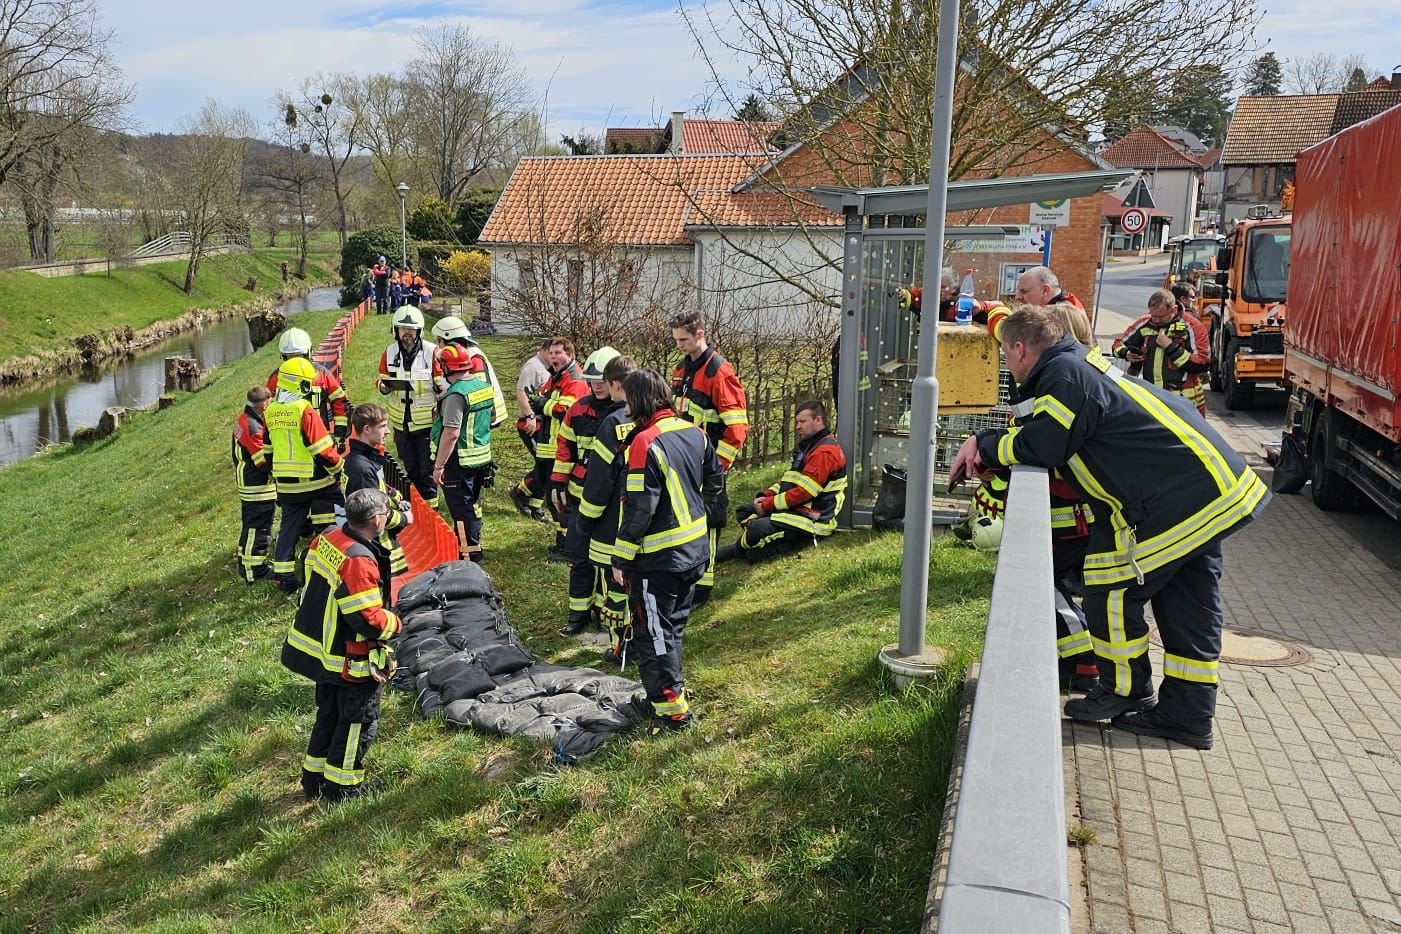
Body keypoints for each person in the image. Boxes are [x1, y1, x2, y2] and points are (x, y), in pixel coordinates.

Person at [950, 306, 1270, 749]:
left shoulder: (1062, 375)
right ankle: (1187, 716)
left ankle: (1124, 690)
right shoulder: (1073, 364)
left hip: (1179, 496)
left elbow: (1045, 443)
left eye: (1005, 354)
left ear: (1020, 349)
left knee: (1110, 585)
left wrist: (985, 448)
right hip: (1209, 488)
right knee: (1188, 604)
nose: (1006, 363)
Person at [611, 368, 724, 734]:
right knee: (671, 630)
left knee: (654, 636)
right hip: (694, 552)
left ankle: (674, 714)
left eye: (627, 400)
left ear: (639, 399)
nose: (624, 408)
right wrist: (703, 516)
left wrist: (621, 558)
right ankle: (663, 697)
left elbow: (640, 509)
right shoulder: (695, 432)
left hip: (658, 561)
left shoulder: (645, 442)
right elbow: (716, 481)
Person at [281, 487, 401, 802]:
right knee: (356, 721)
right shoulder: (359, 561)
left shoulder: (328, 538)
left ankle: (314, 780)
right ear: (375, 520)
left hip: (322, 650)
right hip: (349, 658)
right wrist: (397, 623)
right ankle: (343, 788)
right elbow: (369, 620)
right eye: (387, 512)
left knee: (329, 715)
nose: (388, 517)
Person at [670, 311, 748, 606]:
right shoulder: (681, 369)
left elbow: (737, 429)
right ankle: (689, 578)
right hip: (684, 460)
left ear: (700, 334)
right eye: (676, 339)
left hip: (708, 462)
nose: (679, 345)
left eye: (684, 339)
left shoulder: (719, 372)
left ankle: (702, 588)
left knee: (709, 521)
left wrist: (717, 467)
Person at [718, 400, 847, 564]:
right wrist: (766, 496)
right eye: (797, 422)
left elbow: (804, 493)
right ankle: (782, 541)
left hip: (813, 517)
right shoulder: (809, 446)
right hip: (796, 509)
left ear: (818, 421)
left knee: (756, 529)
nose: (798, 427)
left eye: (802, 422)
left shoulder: (824, 452)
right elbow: (788, 479)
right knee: (743, 511)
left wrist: (767, 505)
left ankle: (738, 551)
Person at [555, 346, 623, 635]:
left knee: (608, 562)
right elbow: (565, 446)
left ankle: (605, 612)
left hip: (612, 501)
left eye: (601, 381)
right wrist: (558, 480)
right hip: (579, 495)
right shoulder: (578, 409)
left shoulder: (626, 413)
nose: (596, 386)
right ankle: (578, 614)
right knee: (579, 557)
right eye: (592, 381)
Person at [576, 354, 637, 666]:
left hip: (612, 522)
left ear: (614, 384)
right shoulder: (652, 415)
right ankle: (641, 642)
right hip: (645, 522)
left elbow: (598, 482)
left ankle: (620, 647)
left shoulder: (613, 423)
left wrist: (585, 519)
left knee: (613, 587)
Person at [266, 357, 345, 593]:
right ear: (299, 384)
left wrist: (276, 476)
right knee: (354, 503)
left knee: (288, 529)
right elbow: (322, 449)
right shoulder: (304, 409)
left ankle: (283, 577)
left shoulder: (270, 412)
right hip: (317, 479)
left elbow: (267, 451)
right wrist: (339, 470)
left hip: (287, 486)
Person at [514, 337, 586, 553]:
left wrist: (544, 404)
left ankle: (566, 546)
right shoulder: (556, 376)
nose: (554, 357)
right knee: (552, 494)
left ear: (570, 355)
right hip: (549, 446)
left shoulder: (574, 379)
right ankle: (562, 543)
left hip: (561, 449)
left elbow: (567, 410)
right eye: (552, 353)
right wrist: (539, 402)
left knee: (559, 497)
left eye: (558, 353)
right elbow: (541, 398)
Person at [431, 345, 496, 563]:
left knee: (461, 510)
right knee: (473, 505)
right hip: (481, 458)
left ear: (446, 367)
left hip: (459, 461)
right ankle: (472, 545)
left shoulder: (455, 395)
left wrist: (439, 466)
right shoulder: (484, 388)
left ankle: (469, 555)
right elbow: (491, 418)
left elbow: (451, 433)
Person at [342, 404, 413, 588]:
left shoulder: (363, 460)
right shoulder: (362, 468)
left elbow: (377, 490)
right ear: (367, 429)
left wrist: (394, 496)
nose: (388, 431)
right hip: (376, 547)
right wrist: (405, 518)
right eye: (382, 426)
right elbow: (372, 513)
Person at [376, 306, 441, 504]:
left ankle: (432, 509)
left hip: (426, 424)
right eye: (403, 328)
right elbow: (380, 379)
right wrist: (383, 387)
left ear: (419, 331)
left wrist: (439, 388)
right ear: (396, 330)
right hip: (401, 424)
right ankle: (417, 507)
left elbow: (442, 382)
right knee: (410, 469)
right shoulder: (389, 352)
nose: (407, 333)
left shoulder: (432, 352)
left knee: (426, 470)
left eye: (411, 329)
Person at [1112, 289, 1210, 415]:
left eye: (1160, 317)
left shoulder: (1192, 326)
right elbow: (1117, 345)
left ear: (1174, 310)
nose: (1156, 320)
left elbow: (1202, 363)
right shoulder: (1145, 323)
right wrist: (1126, 353)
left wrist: (1170, 346)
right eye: (1153, 315)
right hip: (1153, 400)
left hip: (1184, 404)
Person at [266, 327, 350, 448]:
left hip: (289, 443)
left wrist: (340, 435)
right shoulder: (322, 374)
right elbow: (339, 403)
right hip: (318, 442)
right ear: (309, 352)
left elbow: (264, 410)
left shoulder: (276, 377)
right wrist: (340, 437)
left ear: (283, 356)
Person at [232, 385, 276, 583]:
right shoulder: (253, 427)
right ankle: (255, 571)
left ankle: (245, 565)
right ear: (263, 405)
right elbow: (263, 463)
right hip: (257, 487)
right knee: (259, 530)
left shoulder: (245, 419)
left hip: (248, 483)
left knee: (250, 528)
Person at [431, 315, 507, 429]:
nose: (439, 346)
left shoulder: (473, 357)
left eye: (439, 340)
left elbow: (481, 392)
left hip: (484, 416)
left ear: (447, 338)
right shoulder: (462, 354)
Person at [509, 339, 554, 519]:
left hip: (546, 424)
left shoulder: (550, 369)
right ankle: (520, 492)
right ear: (544, 350)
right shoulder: (533, 367)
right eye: (552, 353)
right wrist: (530, 416)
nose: (555, 357)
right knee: (544, 466)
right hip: (531, 424)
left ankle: (535, 505)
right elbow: (521, 393)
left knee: (545, 466)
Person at [1015, 266, 1085, 311]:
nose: (1017, 297)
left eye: (1024, 291)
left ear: (1045, 290)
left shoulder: (1064, 315)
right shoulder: (1068, 305)